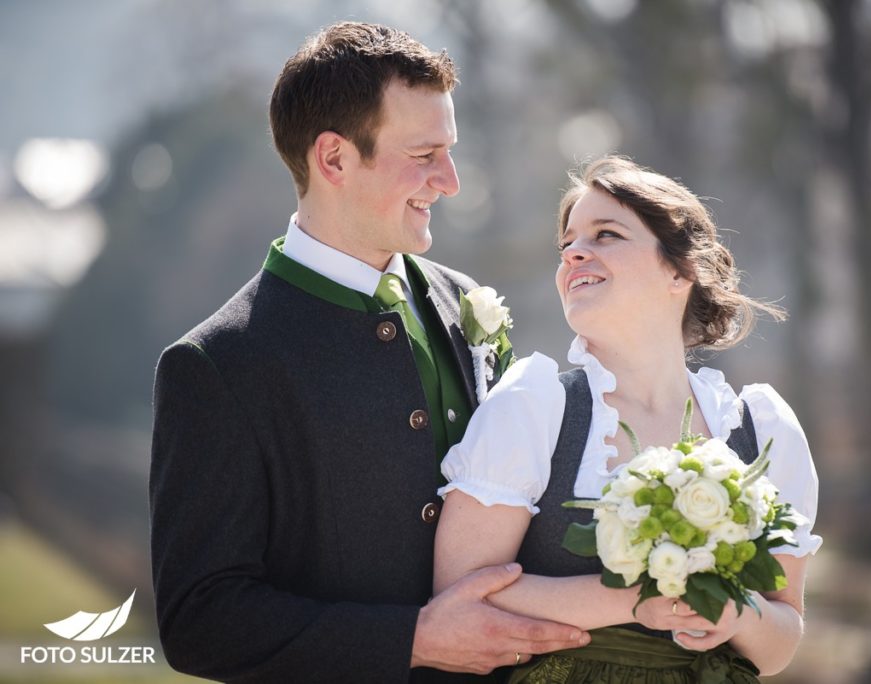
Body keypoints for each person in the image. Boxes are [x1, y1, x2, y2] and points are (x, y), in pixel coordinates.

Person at [149, 22, 589, 683]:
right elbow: (200, 621)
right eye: (424, 155)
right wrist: (411, 640)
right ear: (333, 160)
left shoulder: (464, 299)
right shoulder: (217, 365)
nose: (451, 181)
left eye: (451, 152)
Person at [434, 156, 822, 682]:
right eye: (567, 243)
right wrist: (635, 602)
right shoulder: (533, 407)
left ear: (680, 270)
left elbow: (779, 645)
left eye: (606, 234)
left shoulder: (762, 426)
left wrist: (739, 613)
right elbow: (459, 596)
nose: (574, 252)